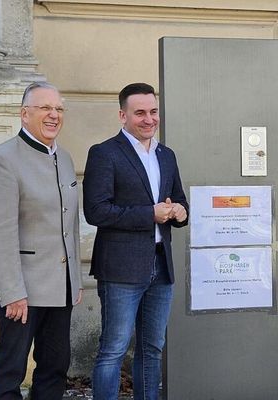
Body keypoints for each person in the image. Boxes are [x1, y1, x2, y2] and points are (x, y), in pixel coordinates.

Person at [0, 81, 83, 400]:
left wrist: (75, 280)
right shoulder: (3, 159)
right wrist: (11, 292)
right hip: (22, 289)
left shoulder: (65, 158)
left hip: (60, 288)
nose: (54, 115)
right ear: (24, 114)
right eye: (45, 108)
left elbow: (69, 224)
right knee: (10, 371)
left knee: (55, 368)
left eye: (59, 109)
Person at [83, 82, 188, 400]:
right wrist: (149, 214)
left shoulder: (166, 155)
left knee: (152, 348)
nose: (149, 119)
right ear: (122, 115)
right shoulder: (104, 153)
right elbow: (96, 211)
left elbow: (180, 200)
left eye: (153, 111)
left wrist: (180, 212)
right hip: (120, 269)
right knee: (113, 350)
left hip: (161, 265)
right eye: (140, 112)